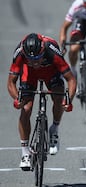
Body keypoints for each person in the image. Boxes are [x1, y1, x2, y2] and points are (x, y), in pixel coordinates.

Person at [7, 33, 76, 170]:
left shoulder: (52, 51)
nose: (35, 62)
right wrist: (17, 99)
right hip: (29, 75)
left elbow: (71, 79)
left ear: (43, 50)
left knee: (59, 98)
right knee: (26, 109)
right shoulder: (20, 53)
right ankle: (25, 153)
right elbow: (11, 82)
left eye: (38, 58)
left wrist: (68, 100)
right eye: (30, 59)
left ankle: (54, 129)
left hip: (51, 72)